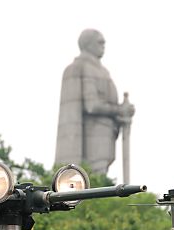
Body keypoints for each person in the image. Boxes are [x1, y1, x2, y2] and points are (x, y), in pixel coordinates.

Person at [55, 29, 135, 174]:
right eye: (100, 42)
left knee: (101, 177)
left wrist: (123, 112)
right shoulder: (84, 68)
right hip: (94, 135)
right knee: (94, 177)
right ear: (88, 44)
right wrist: (119, 110)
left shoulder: (101, 70)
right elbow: (92, 106)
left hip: (106, 133)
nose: (103, 45)